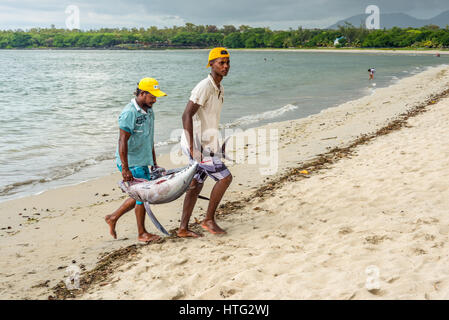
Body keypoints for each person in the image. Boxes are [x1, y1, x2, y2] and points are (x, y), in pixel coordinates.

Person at [177, 47, 232, 238]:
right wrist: (193, 148)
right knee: (225, 178)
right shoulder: (205, 86)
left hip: (206, 143)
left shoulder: (219, 87)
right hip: (196, 144)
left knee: (196, 184)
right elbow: (186, 114)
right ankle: (208, 220)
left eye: (227, 63)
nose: (225, 66)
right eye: (221, 63)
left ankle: (183, 229)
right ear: (211, 65)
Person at [105, 77, 167, 243]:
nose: (155, 100)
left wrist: (153, 163)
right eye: (152, 96)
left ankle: (113, 217)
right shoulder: (129, 113)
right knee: (142, 196)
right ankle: (142, 233)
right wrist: (125, 168)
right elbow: (122, 141)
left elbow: (149, 138)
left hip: (143, 159)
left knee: (141, 195)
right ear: (142, 93)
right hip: (131, 161)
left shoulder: (149, 110)